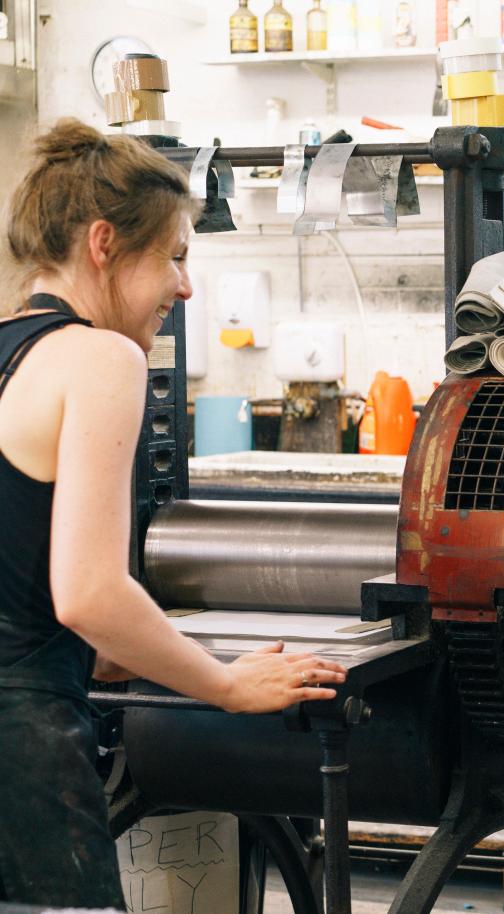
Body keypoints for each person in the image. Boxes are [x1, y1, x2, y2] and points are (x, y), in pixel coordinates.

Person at [0, 119, 348, 906]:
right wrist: (224, 685)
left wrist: (108, 650)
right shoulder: (100, 358)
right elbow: (86, 592)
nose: (185, 288)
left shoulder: (8, 351)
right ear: (102, 244)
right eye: (176, 256)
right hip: (21, 757)